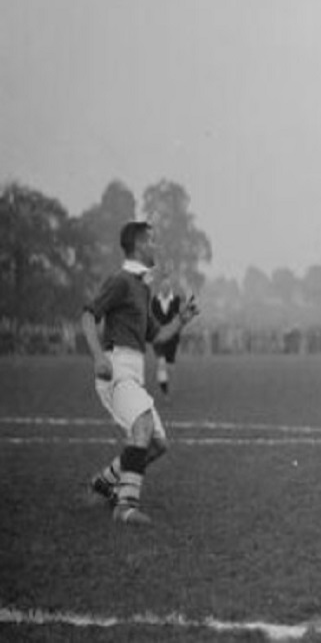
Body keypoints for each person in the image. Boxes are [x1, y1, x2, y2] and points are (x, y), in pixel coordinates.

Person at [82, 221, 199, 524]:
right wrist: (98, 357)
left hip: (133, 373)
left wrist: (181, 320)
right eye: (153, 241)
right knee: (143, 426)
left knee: (159, 445)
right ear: (138, 245)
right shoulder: (121, 281)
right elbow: (87, 316)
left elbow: (157, 337)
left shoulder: (141, 288)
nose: (156, 246)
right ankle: (125, 506)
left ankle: (105, 483)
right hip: (116, 368)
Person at [150, 280, 184, 400]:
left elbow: (178, 317)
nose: (165, 290)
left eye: (167, 288)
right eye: (163, 287)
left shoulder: (176, 300)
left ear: (170, 289)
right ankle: (165, 392)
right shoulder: (154, 301)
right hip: (159, 337)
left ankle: (168, 389)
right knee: (161, 362)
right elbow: (152, 317)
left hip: (172, 338)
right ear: (160, 288)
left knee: (169, 365)